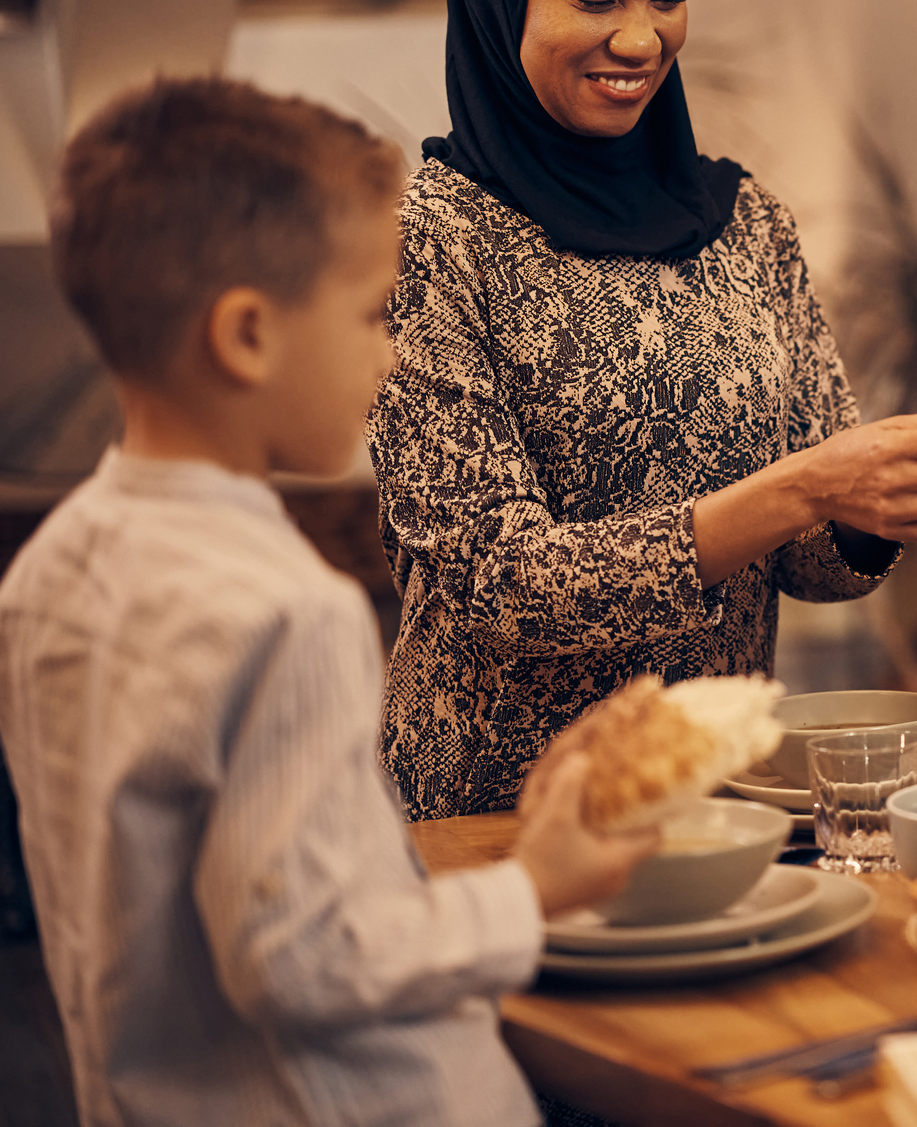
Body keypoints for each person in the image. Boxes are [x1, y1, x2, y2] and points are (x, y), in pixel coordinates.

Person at [0, 78, 656, 1126]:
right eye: (374, 313)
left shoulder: (46, 577)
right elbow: (305, 957)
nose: (391, 354)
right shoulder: (289, 613)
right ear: (248, 336)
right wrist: (535, 886)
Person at [371, 0, 917, 819]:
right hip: (503, 824)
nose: (641, 39)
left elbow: (811, 560)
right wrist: (805, 488)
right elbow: (498, 582)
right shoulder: (428, 238)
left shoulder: (746, 221)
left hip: (717, 803)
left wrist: (885, 501)